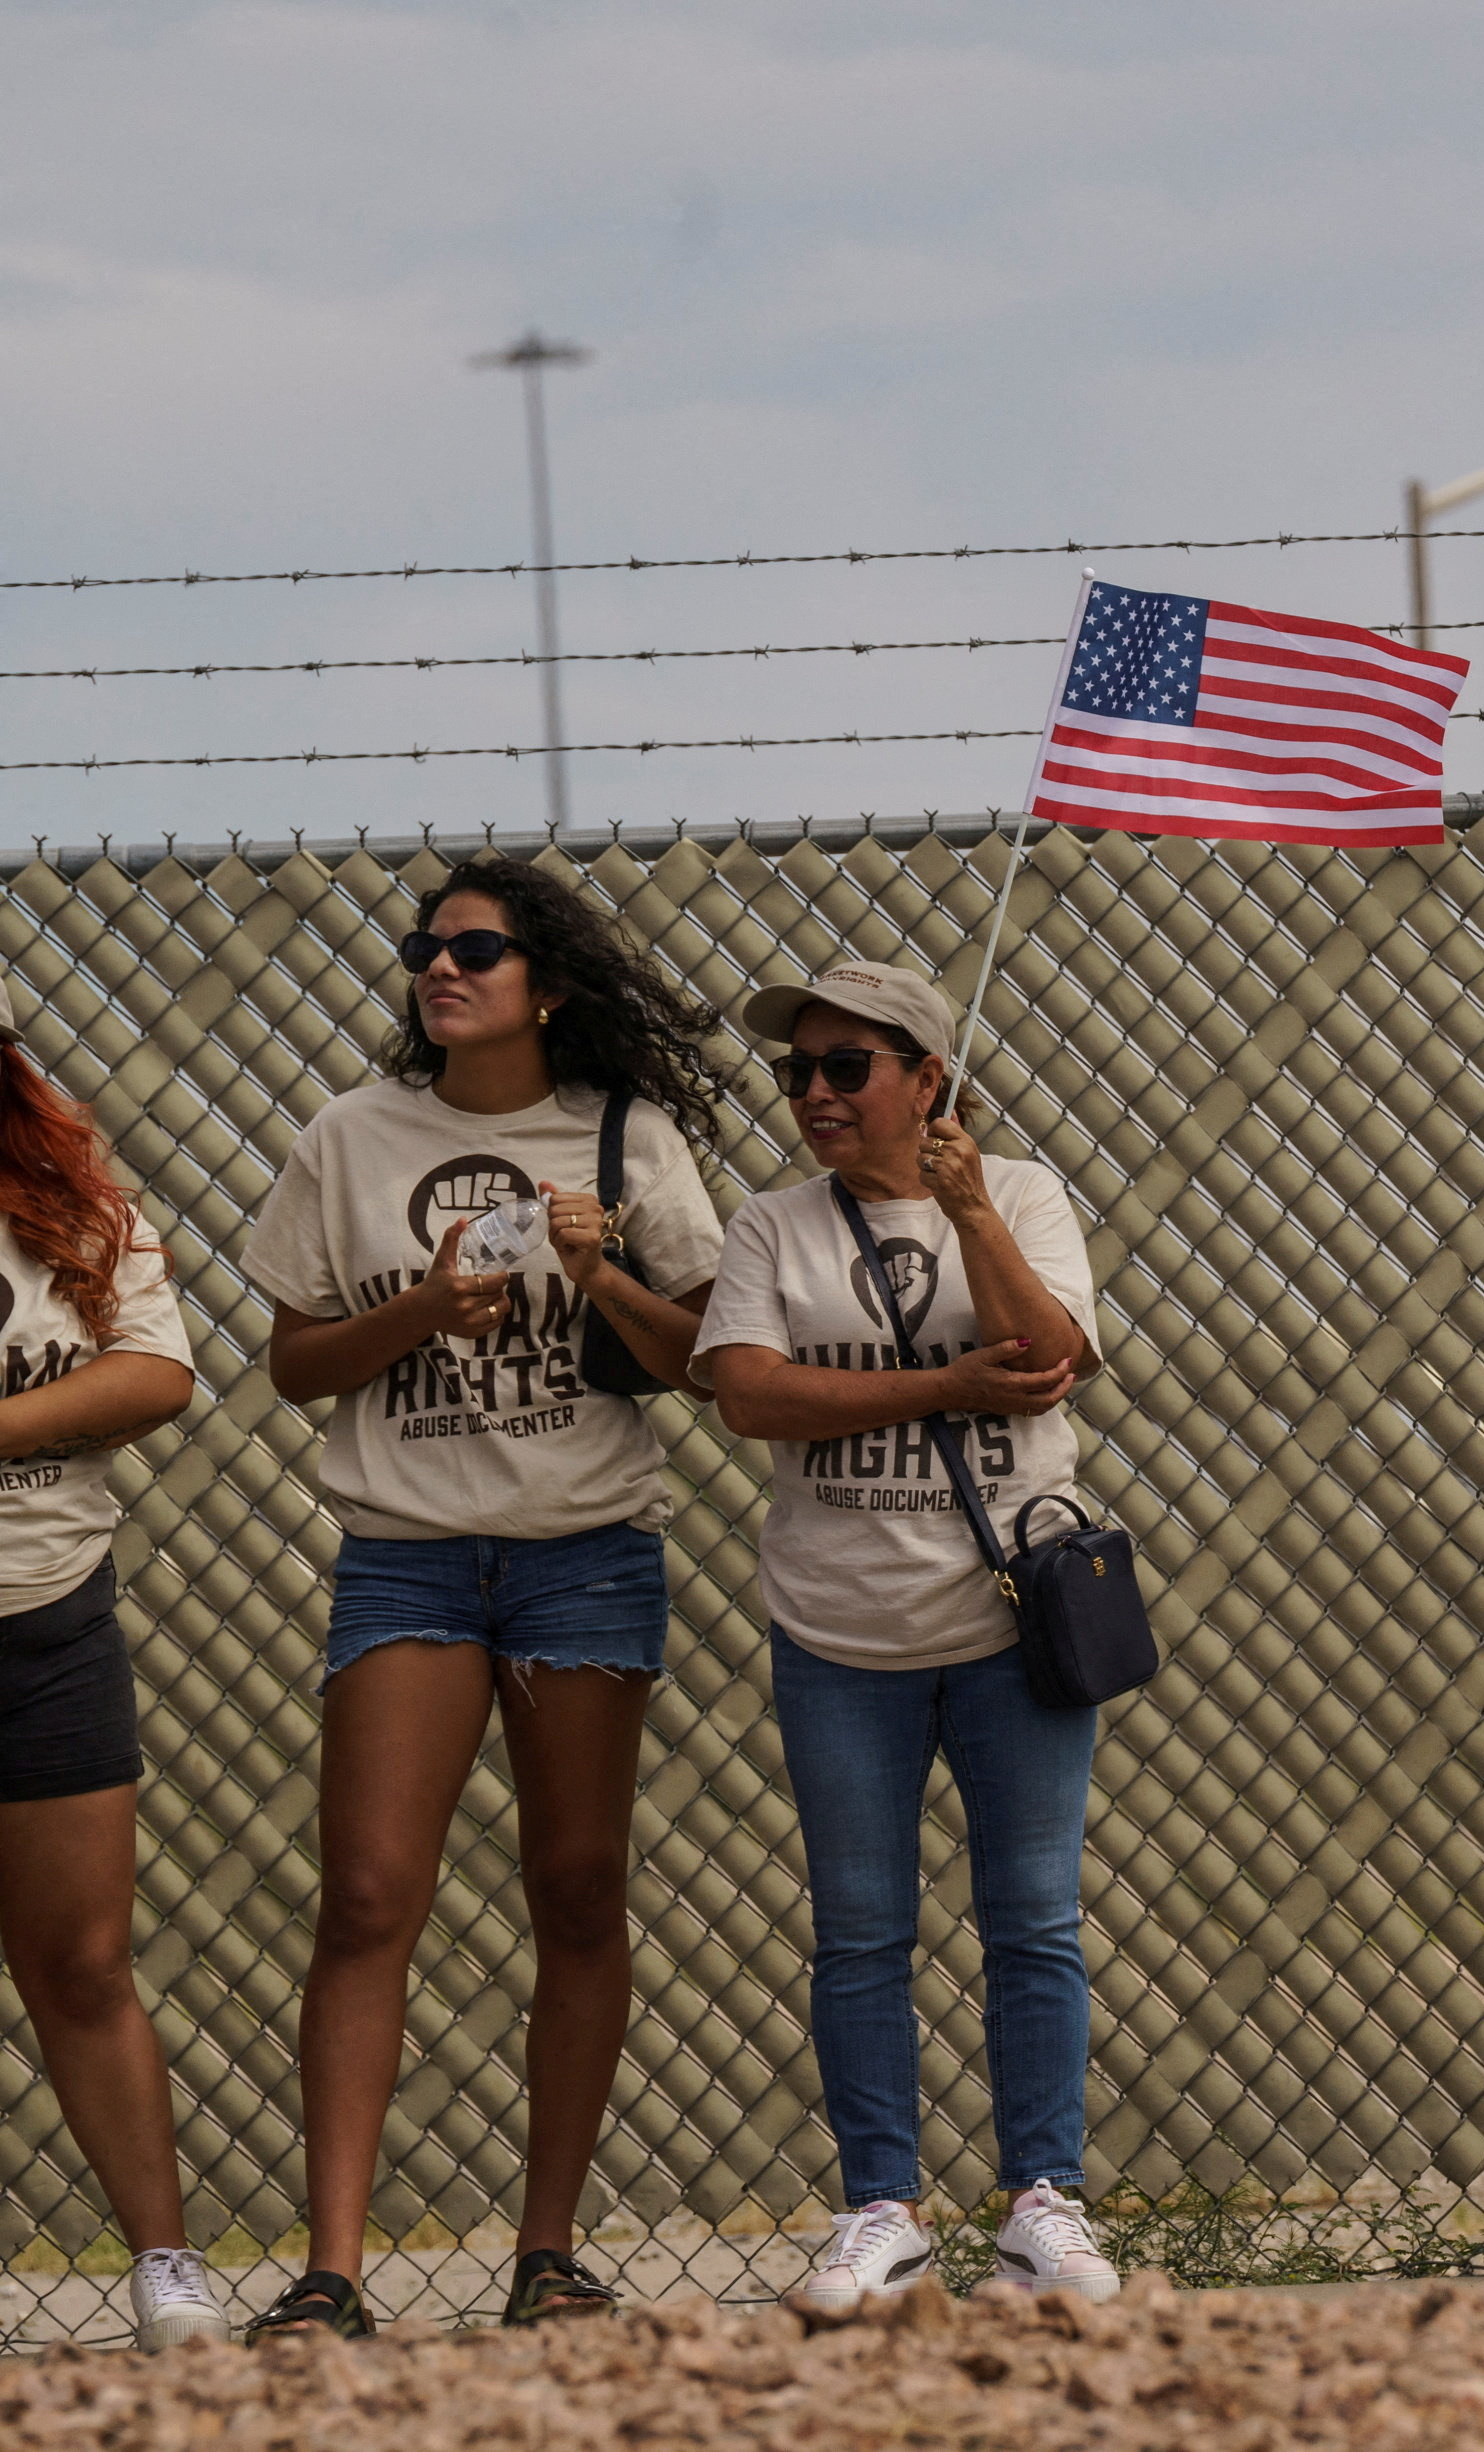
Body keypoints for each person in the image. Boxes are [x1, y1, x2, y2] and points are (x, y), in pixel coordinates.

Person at [243, 857, 731, 2338]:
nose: (440, 968)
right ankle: (333, 2273)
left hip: (585, 1545)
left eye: (477, 949)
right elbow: (292, 1364)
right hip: (408, 1549)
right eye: (426, 948)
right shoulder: (353, 1134)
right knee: (370, 1896)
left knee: (578, 1892)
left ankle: (549, 2251)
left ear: (550, 984)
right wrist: (416, 1312)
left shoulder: (628, 1139)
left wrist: (601, 1277)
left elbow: (696, 1358)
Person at [690, 959, 1119, 2310]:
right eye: (797, 1071)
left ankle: (1044, 2202)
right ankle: (883, 2206)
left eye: (845, 1069)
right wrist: (940, 1383)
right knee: (862, 1933)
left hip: (1013, 1620)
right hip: (841, 1631)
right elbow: (749, 1397)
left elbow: (1047, 1355)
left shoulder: (1029, 1196)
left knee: (1033, 1920)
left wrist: (972, 1209)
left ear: (928, 1079)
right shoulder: (772, 1226)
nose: (813, 1094)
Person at [0, 984, 219, 2349]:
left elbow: (155, 1375)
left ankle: (166, 2269)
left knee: (81, 1965)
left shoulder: (72, 1209)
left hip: (47, 1622)